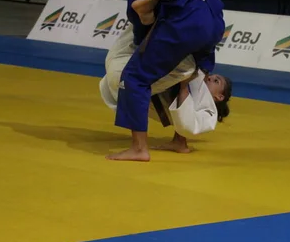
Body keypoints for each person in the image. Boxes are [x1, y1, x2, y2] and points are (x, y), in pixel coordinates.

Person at [107, 0, 227, 162]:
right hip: (214, 20)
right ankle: (179, 140)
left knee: (135, 76)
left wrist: (143, 47)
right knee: (188, 75)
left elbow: (137, 14)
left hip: (187, 20)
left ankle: (139, 149)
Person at [99, 21, 232, 154]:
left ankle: (158, 18)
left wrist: (185, 85)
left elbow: (186, 124)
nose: (210, 78)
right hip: (125, 87)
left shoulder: (209, 115)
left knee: (188, 69)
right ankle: (152, 18)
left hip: (124, 84)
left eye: (216, 81)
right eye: (214, 77)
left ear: (220, 96)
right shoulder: (198, 86)